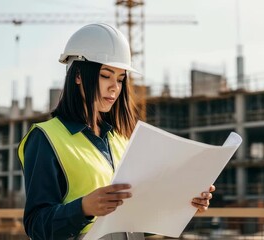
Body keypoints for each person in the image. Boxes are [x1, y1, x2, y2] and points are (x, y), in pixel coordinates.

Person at [17, 23, 215, 240]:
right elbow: (36, 225)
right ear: (78, 76)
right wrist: (83, 208)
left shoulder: (120, 140)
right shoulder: (45, 138)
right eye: (105, 75)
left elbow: (135, 218)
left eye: (120, 79)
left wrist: (182, 206)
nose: (115, 87)